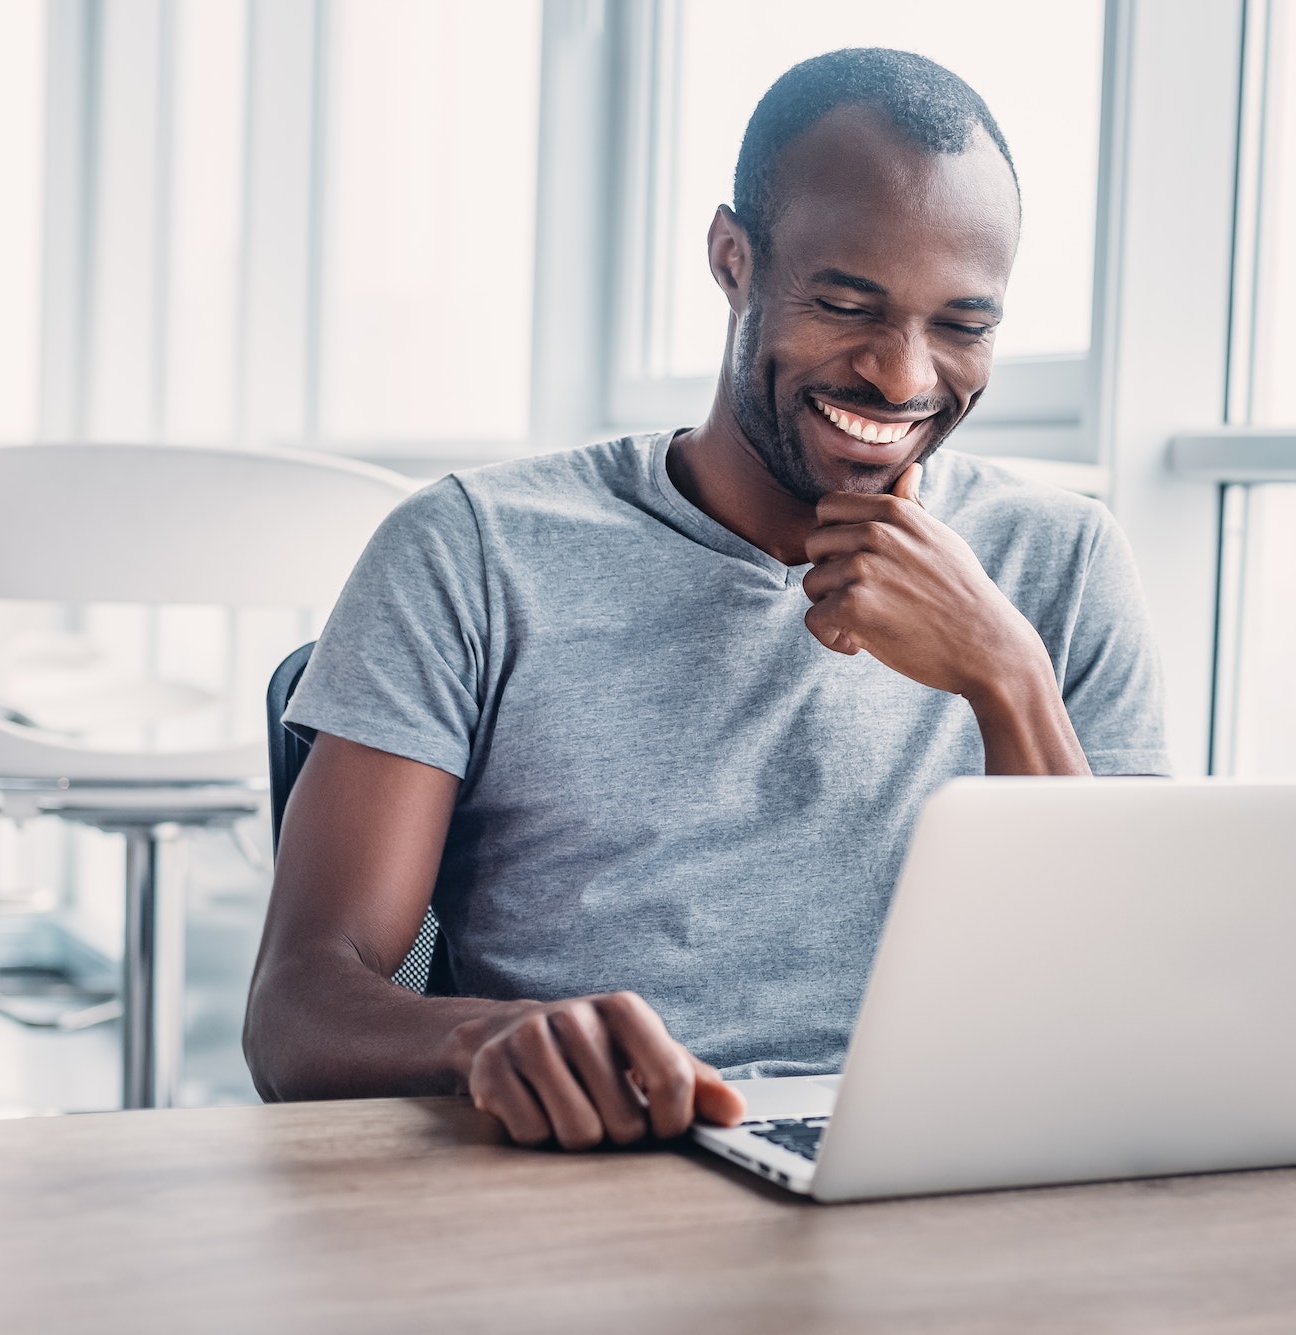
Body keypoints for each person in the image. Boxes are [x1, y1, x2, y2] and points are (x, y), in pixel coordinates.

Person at [243, 47, 1168, 1150]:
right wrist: (485, 1037)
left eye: (961, 327)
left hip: (943, 1170)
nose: (902, 376)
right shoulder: (472, 551)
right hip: (603, 1175)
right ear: (734, 259)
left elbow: (1120, 1015)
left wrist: (1005, 675)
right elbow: (295, 1014)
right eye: (844, 304)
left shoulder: (1059, 562)